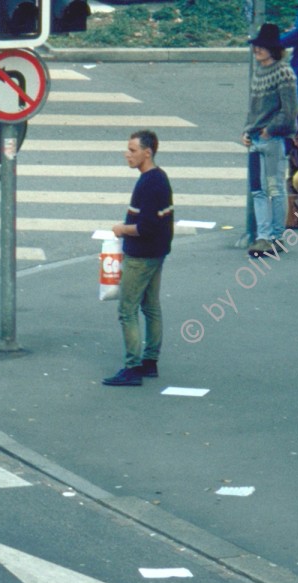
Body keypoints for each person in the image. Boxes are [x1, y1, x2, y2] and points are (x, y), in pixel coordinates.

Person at [103, 130, 174, 389]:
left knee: (127, 309)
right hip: (157, 252)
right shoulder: (159, 178)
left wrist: (122, 229)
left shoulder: (149, 183)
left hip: (141, 255)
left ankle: (133, 367)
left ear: (148, 152)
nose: (127, 154)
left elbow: (145, 227)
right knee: (151, 307)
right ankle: (150, 361)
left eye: (132, 150)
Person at [243, 24, 297, 258]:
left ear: (273, 49)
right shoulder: (258, 72)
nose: (257, 49)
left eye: (262, 46)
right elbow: (253, 107)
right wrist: (247, 130)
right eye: (256, 45)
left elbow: (289, 112)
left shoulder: (284, 72)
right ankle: (264, 236)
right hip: (256, 138)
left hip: (273, 139)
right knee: (258, 191)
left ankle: (275, 236)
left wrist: (269, 130)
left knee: (274, 189)